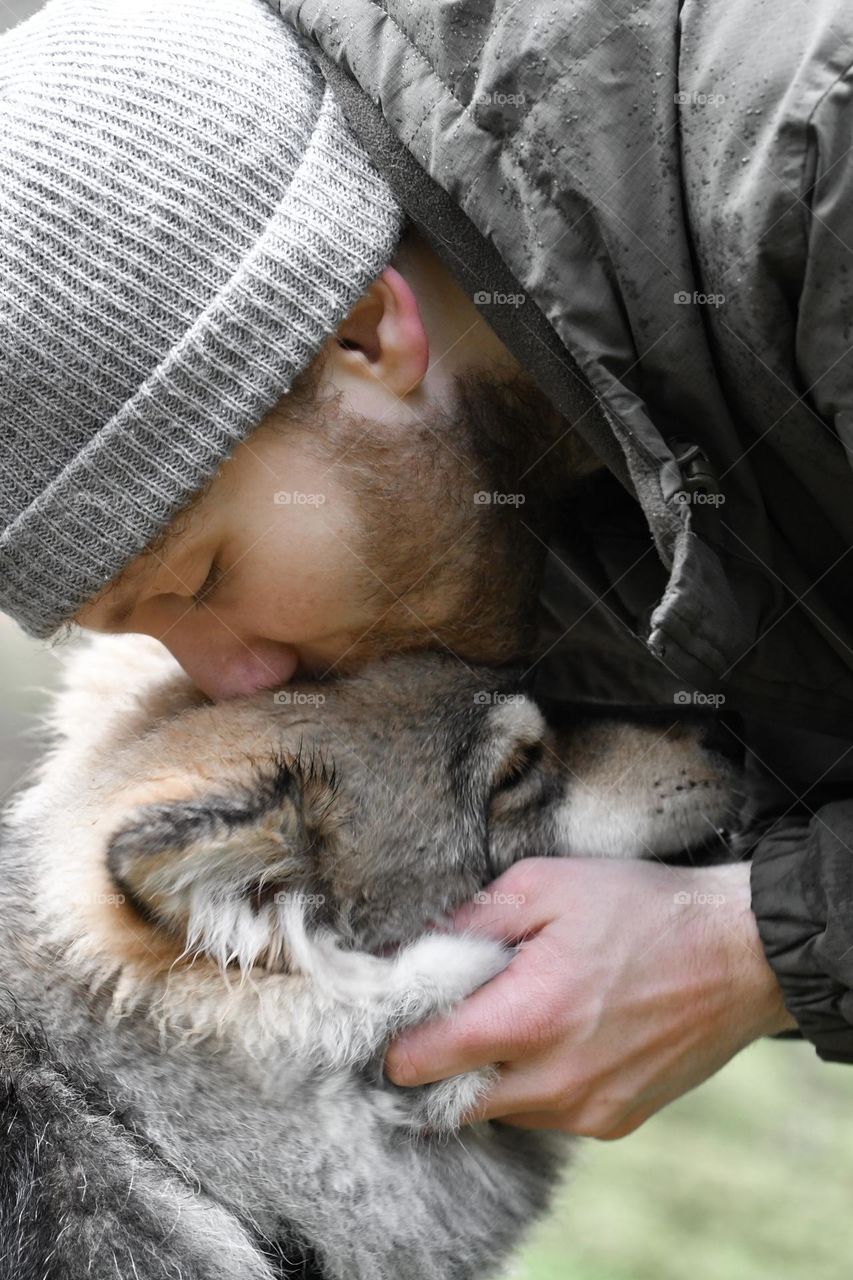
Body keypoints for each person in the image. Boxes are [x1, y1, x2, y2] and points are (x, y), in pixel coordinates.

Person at [2, 0, 852, 1142]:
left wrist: (755, 940)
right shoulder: (470, 492)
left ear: (360, 334)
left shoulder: (816, 184)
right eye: (140, 625)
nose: (239, 678)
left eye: (202, 574)